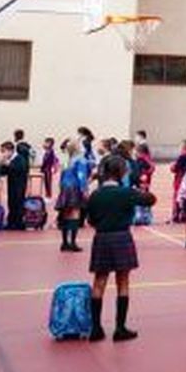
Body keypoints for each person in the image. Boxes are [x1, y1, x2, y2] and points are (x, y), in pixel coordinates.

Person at [83, 155, 156, 342]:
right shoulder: (126, 193)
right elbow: (150, 200)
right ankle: (120, 328)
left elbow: (90, 220)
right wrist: (139, 189)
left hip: (102, 237)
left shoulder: (95, 195)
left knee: (99, 281)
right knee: (122, 281)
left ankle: (96, 328)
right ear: (121, 172)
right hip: (122, 237)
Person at [55, 140, 92, 252]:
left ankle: (64, 242)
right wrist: (84, 190)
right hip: (75, 188)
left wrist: (61, 188)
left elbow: (61, 177)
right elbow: (81, 176)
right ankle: (73, 242)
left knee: (65, 214)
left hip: (65, 187)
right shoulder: (81, 160)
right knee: (75, 214)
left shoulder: (67, 160)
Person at [4, 135, 31, 230]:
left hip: (19, 185)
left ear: (10, 150)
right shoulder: (12, 159)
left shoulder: (19, 158)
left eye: (4, 151)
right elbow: (5, 171)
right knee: (11, 202)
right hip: (12, 184)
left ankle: (18, 222)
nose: (4, 153)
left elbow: (20, 169)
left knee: (17, 202)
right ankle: (12, 221)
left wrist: (8, 165)